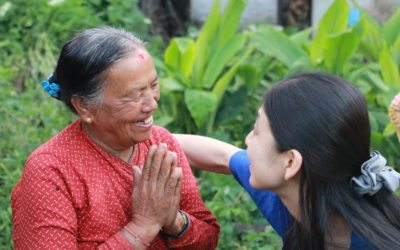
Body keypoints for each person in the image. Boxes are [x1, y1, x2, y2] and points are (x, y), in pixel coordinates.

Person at [11, 27, 219, 249]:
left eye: (153, 85)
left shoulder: (161, 143)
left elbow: (208, 239)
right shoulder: (50, 171)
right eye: (134, 95)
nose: (152, 104)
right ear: (85, 106)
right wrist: (143, 226)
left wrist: (174, 221)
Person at [175, 72, 400, 250]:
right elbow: (222, 155)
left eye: (256, 131)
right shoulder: (297, 195)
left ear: (290, 162)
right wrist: (149, 138)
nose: (247, 139)